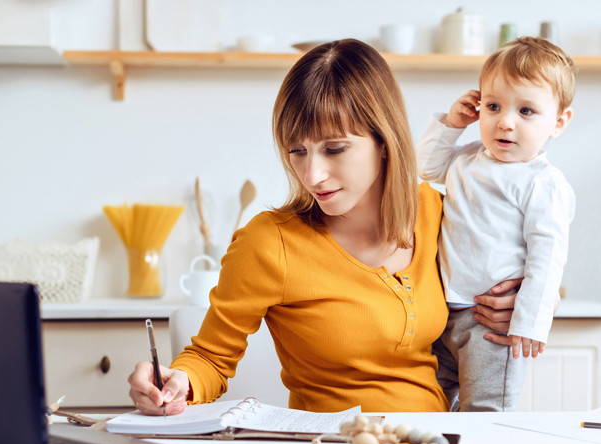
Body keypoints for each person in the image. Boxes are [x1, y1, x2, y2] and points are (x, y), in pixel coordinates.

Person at [128, 38, 521, 415]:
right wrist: (176, 380)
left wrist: (527, 298)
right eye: (297, 151)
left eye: (335, 149)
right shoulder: (269, 243)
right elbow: (210, 358)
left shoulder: (438, 212)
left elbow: (523, 263)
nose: (313, 175)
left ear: (384, 140)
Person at [417, 36, 575, 412]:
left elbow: (547, 256)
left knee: (485, 409)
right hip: (442, 311)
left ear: (558, 122)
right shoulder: (466, 159)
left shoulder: (542, 182)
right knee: (432, 407)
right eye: (493, 106)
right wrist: (453, 124)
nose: (505, 122)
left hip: (493, 324)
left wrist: (530, 322)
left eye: (526, 111)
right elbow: (425, 167)